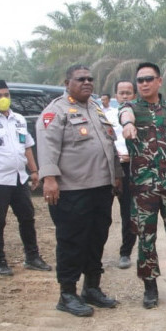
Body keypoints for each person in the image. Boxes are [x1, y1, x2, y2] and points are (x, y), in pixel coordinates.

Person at [36, 65, 123, 317]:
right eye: (80, 79)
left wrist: (116, 173)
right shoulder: (55, 111)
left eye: (90, 79)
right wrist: (49, 179)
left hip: (100, 187)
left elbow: (109, 144)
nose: (87, 82)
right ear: (67, 82)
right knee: (72, 242)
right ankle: (67, 293)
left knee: (96, 239)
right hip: (72, 189)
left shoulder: (96, 109)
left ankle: (92, 288)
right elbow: (47, 147)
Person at [119, 62, 166, 309]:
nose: (143, 84)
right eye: (139, 80)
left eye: (148, 79)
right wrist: (128, 124)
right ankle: (150, 287)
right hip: (143, 188)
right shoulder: (130, 107)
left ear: (159, 81)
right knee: (145, 237)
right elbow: (125, 115)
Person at [0, 80, 52, 276]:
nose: (3, 99)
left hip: (19, 178)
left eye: (6, 95)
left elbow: (27, 147)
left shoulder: (19, 120)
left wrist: (34, 171)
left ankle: (32, 257)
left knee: (27, 218)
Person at [104, 79, 138, 269]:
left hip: (129, 168)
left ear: (134, 95)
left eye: (128, 92)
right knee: (102, 214)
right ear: (115, 95)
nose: (125, 95)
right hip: (107, 169)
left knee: (129, 213)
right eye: (121, 92)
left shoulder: (139, 115)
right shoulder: (105, 114)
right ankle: (97, 251)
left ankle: (125, 252)